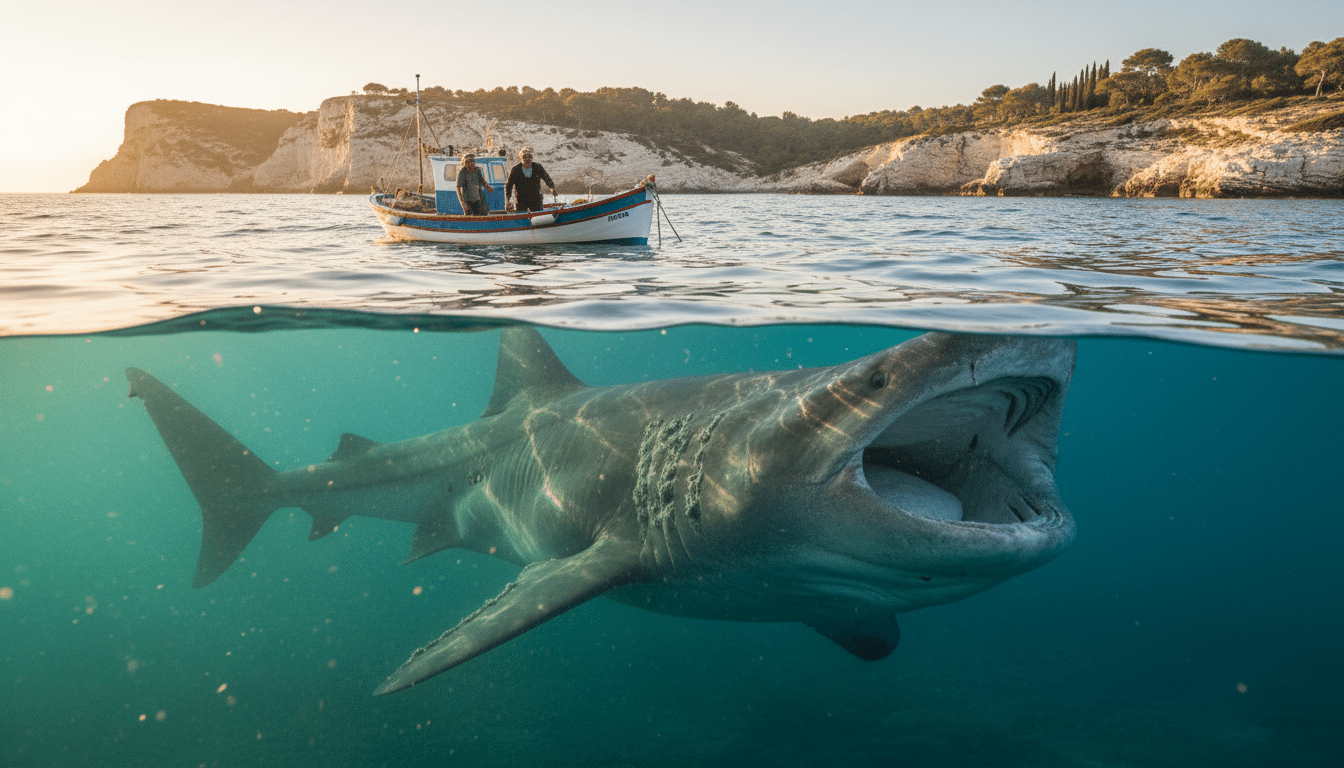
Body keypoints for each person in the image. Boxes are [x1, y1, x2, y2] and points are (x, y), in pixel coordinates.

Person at [505, 147, 557, 213]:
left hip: (536, 201)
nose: (527, 159)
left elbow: (547, 178)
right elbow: (509, 186)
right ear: (521, 158)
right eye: (524, 157)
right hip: (521, 202)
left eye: (529, 156)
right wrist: (508, 201)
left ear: (532, 157)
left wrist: (552, 188)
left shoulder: (538, 167)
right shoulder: (515, 170)